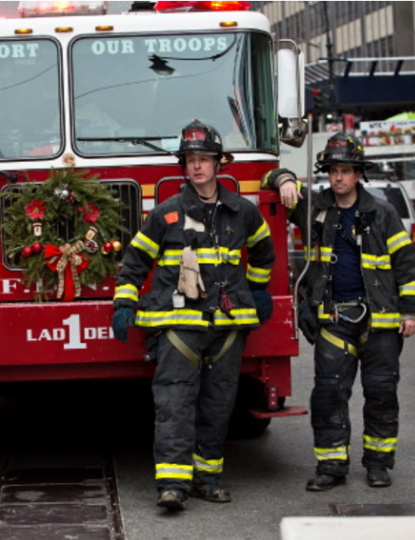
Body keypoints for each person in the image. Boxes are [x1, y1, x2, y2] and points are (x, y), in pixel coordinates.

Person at [111, 120, 275, 511]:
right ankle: (172, 486)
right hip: (178, 329)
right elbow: (134, 262)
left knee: (219, 407)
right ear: (183, 167)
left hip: (227, 330)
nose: (197, 166)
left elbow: (264, 252)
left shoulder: (243, 213)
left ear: (219, 163)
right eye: (190, 160)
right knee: (174, 405)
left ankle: (207, 480)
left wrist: (256, 289)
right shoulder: (166, 215)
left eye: (203, 159)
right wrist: (124, 303)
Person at [264, 133, 415, 492]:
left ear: (357, 175)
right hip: (333, 320)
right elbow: (267, 178)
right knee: (328, 394)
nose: (339, 177)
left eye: (346, 171)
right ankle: (331, 466)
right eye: (333, 170)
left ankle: (378, 465)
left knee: (381, 393)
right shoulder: (314, 209)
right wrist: (285, 179)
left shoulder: (382, 213)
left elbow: (408, 264)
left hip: (380, 322)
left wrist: (410, 311)